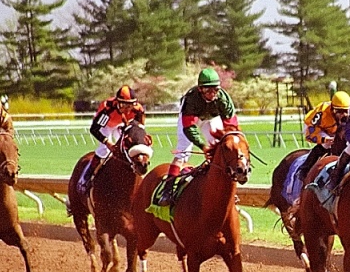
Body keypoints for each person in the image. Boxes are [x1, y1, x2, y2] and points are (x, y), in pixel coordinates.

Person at [156, 68, 239, 206]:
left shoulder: (223, 99)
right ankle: (167, 190)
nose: (212, 94)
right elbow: (189, 128)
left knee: (221, 149)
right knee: (183, 152)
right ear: (200, 89)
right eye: (208, 90)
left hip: (211, 118)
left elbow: (232, 126)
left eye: (215, 89)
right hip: (191, 120)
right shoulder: (191, 99)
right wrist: (203, 147)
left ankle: (227, 190)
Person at [79, 84, 145, 191]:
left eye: (130, 106)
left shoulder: (138, 110)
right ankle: (86, 177)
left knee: (129, 148)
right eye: (125, 106)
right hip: (106, 125)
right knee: (103, 150)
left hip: (122, 124)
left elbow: (139, 129)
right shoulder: (108, 109)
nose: (128, 110)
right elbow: (94, 129)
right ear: (118, 102)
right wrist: (108, 143)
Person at [296, 90, 350, 182]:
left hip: (331, 128)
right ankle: (304, 169)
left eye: (346, 111)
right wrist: (323, 139)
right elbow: (309, 135)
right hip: (313, 127)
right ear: (333, 109)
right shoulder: (322, 113)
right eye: (340, 111)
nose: (343, 115)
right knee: (326, 145)